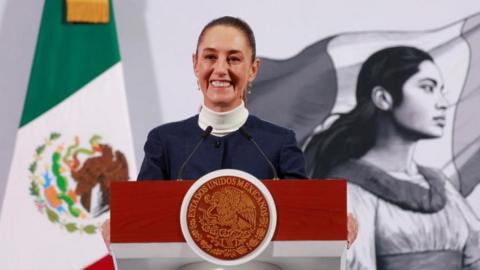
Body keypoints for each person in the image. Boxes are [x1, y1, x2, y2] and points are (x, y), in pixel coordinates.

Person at [305, 46, 480, 269]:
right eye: (427, 88)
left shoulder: (440, 186)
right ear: (383, 98)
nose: (443, 103)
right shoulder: (347, 192)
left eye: (440, 90)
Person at [137, 16, 306, 180]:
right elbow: (142, 207)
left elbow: (303, 207)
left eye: (233, 59)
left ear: (253, 69)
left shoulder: (280, 144)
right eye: (210, 57)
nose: (220, 69)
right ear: (196, 64)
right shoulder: (164, 142)